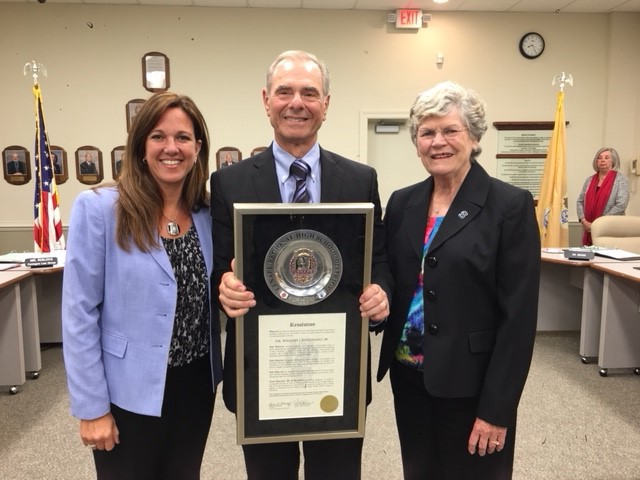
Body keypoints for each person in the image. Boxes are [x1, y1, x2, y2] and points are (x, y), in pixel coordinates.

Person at [210, 50, 393, 480]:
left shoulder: (359, 178)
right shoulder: (228, 182)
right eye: (285, 91)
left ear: (326, 104)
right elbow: (219, 264)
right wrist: (224, 285)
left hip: (336, 366)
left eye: (310, 93)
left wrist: (382, 291)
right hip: (263, 368)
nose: (297, 102)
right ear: (266, 100)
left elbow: (378, 258)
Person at [376, 81, 540, 480]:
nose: (438, 142)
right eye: (427, 132)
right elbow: (389, 273)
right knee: (419, 471)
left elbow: (518, 320)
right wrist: (377, 296)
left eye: (451, 130)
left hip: (473, 386)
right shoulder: (402, 202)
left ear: (475, 137)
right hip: (409, 376)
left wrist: (496, 410)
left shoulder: (510, 206)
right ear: (416, 142)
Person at [62, 92, 222, 480]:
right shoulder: (99, 208)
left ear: (198, 148)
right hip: (126, 391)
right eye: (158, 136)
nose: (172, 147)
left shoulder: (208, 213)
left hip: (196, 387)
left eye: (183, 138)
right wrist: (92, 407)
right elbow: (79, 312)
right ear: (140, 147)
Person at [576, 147, 630, 245]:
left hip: (610, 229)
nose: (602, 160)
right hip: (587, 228)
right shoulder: (589, 180)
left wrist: (598, 223)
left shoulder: (621, 179)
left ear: (613, 161)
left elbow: (621, 205)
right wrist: (584, 221)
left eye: (606, 158)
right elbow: (580, 201)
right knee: (588, 258)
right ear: (596, 161)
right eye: (599, 158)